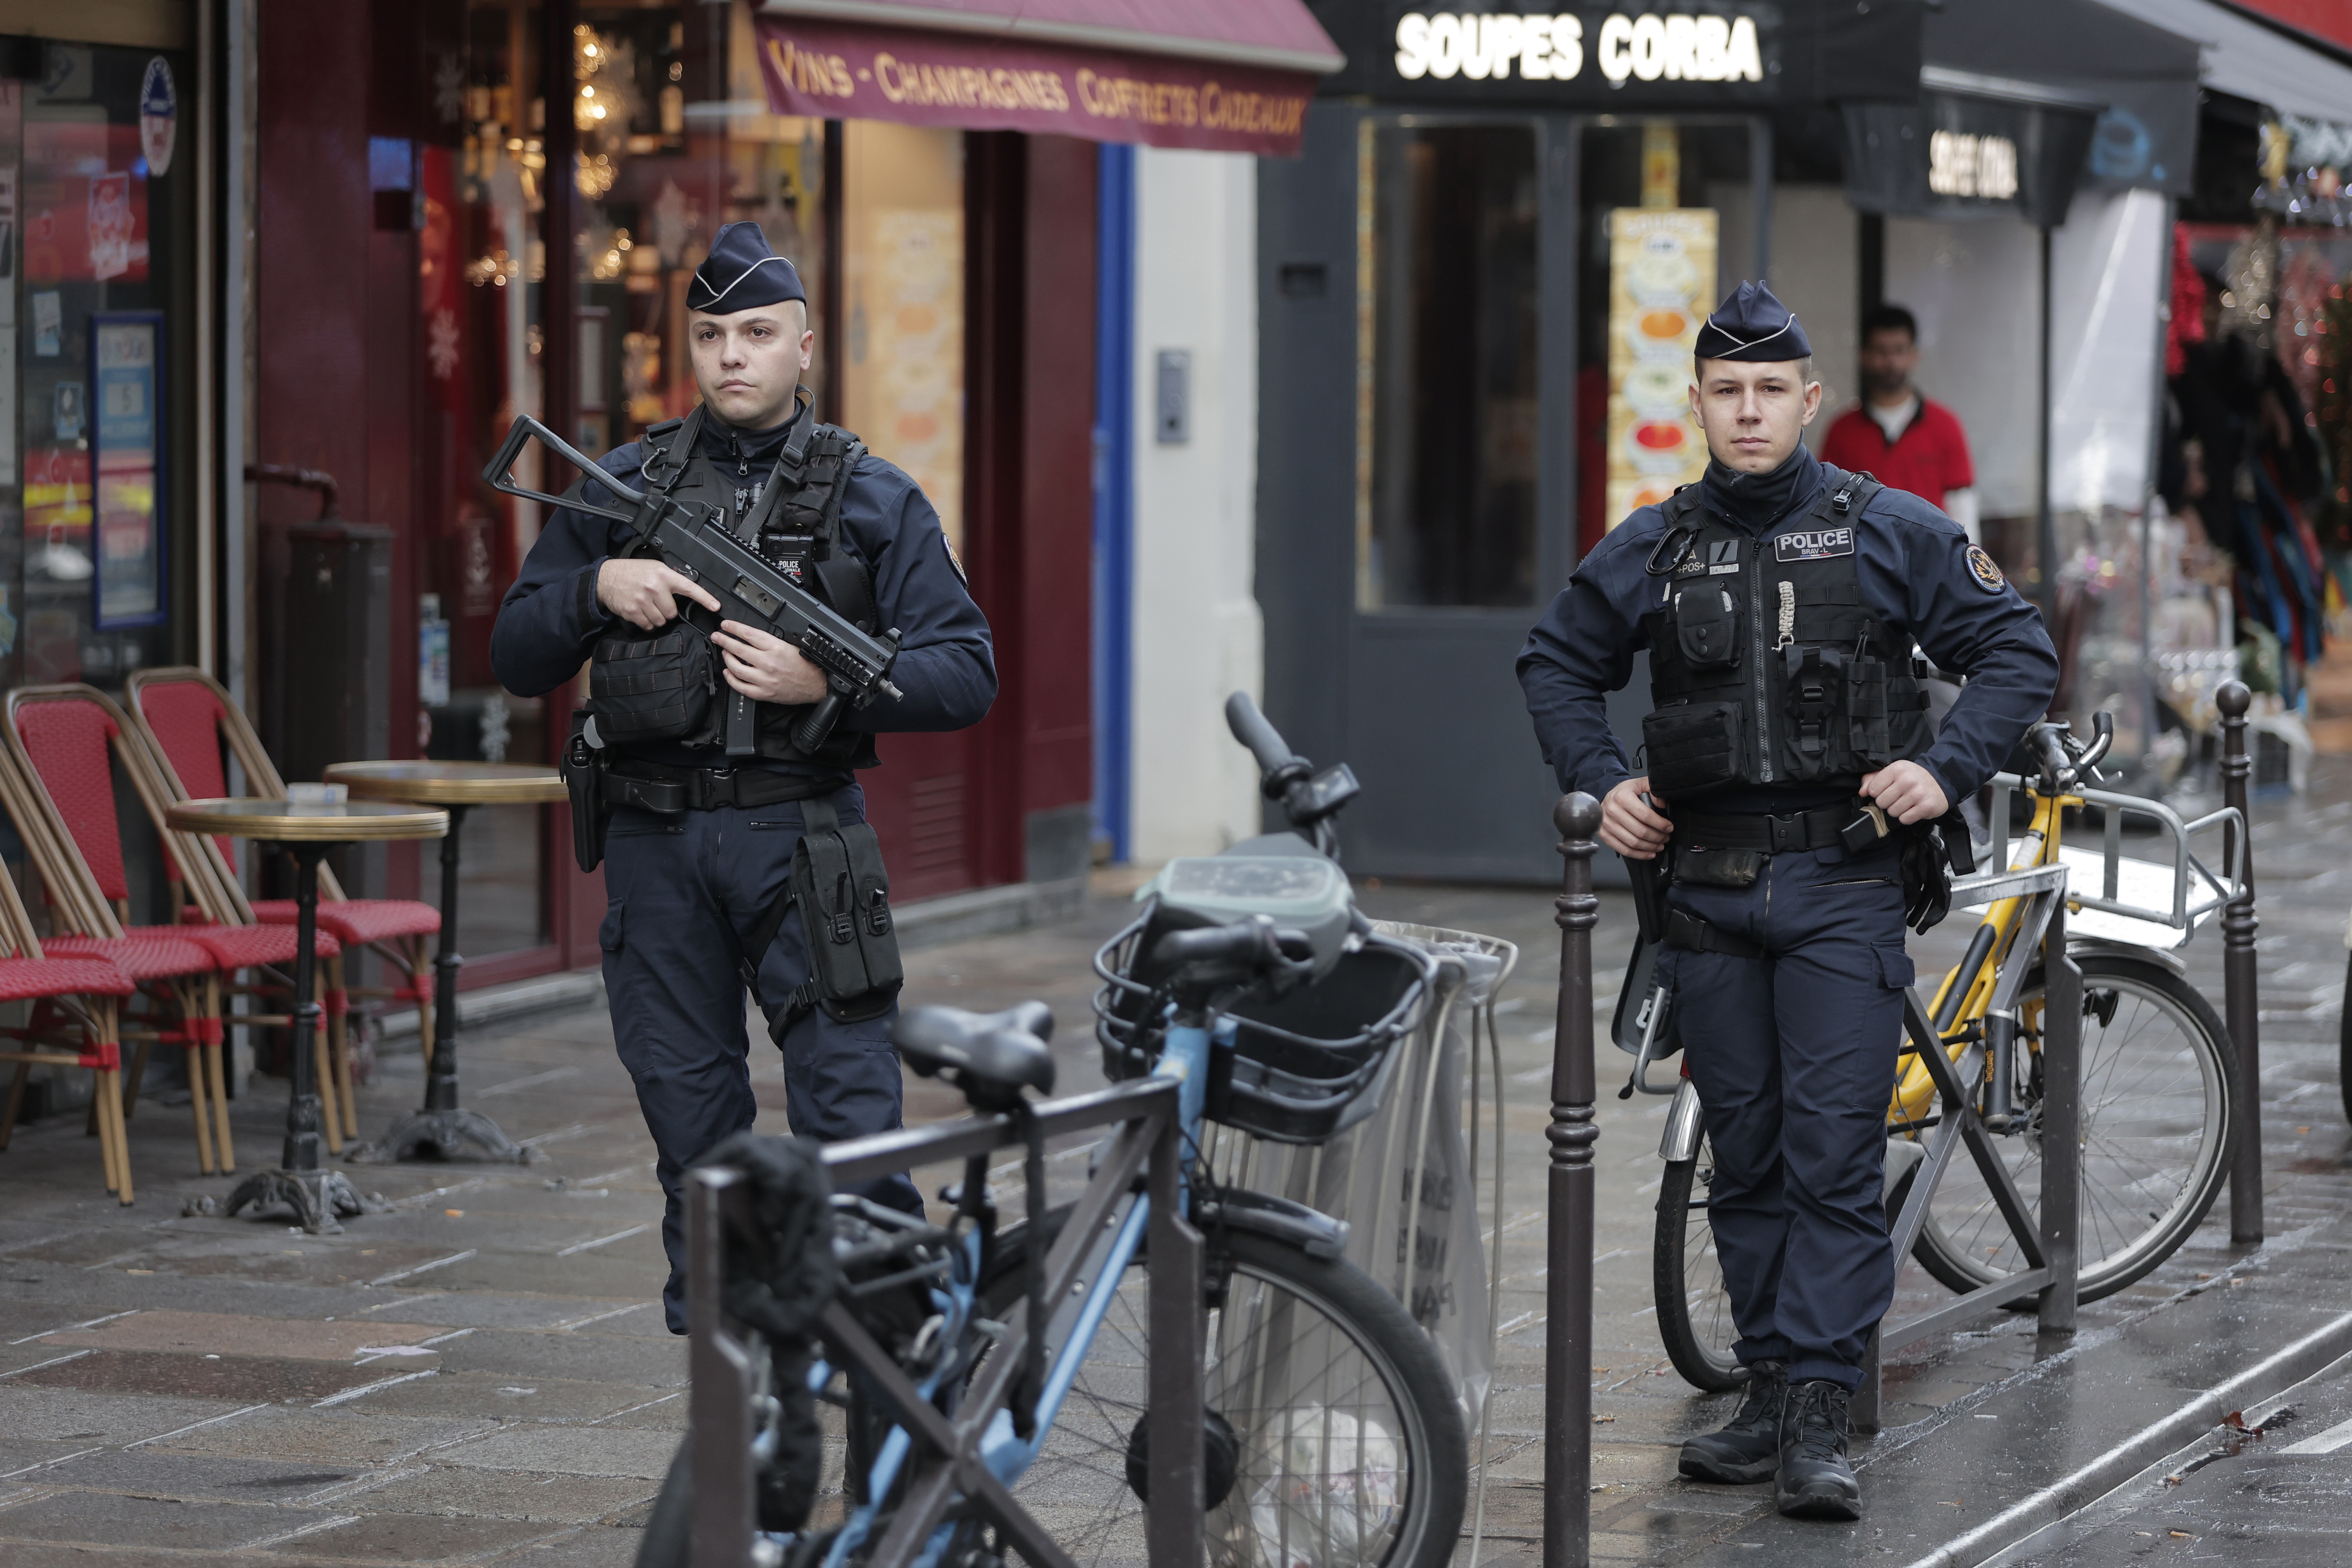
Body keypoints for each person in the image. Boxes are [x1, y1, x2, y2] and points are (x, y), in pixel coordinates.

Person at [1516, 283, 2056, 1521]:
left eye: (1772, 391)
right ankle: (1766, 1383)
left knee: (1829, 1151)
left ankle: (1820, 1406)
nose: (1749, 410)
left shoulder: (1886, 528)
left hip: (1841, 886)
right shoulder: (1654, 543)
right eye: (1727, 391)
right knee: (1746, 1154)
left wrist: (1946, 765)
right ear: (1698, 404)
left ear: (1810, 401)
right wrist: (1603, 786)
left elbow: (2016, 645)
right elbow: (1554, 663)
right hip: (1704, 892)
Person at [491, 221, 996, 1333]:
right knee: (698, 1154)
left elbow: (968, 672)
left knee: (860, 1151)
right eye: (712, 333)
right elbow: (516, 652)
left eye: (758, 334)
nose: (732, 355)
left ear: (804, 346)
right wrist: (597, 588)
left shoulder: (875, 497)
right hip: (657, 851)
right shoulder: (623, 486)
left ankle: (891, 1462)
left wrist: (829, 679)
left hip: (804, 845)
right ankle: (739, 1473)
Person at [1820, 303, 1980, 544]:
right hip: (1863, 564)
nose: (1891, 361)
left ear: (1914, 355)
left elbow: (1963, 508)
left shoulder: (1945, 425)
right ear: (1864, 356)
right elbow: (1828, 506)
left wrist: (1967, 567)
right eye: (1881, 351)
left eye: (1899, 350)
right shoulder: (1841, 431)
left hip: (1931, 561)